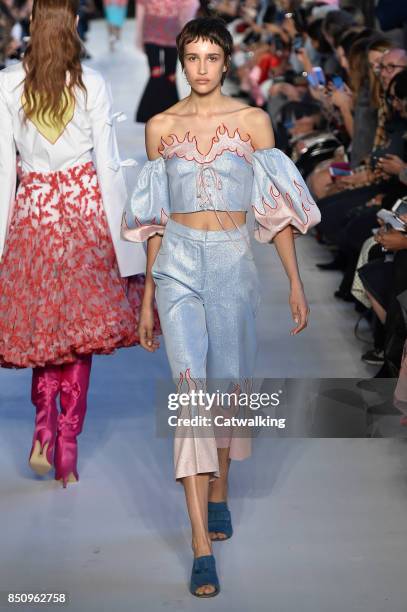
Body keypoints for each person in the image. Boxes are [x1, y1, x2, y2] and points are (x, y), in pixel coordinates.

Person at [123, 16, 320, 598]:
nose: (203, 68)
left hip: (233, 259)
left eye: (213, 57)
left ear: (226, 61)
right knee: (190, 392)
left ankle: (221, 489)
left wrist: (293, 280)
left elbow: (276, 205)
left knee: (230, 385)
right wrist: (148, 300)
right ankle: (200, 544)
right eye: (194, 58)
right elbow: (155, 218)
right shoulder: (160, 127)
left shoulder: (253, 122)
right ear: (180, 63)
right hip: (179, 262)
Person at [0, 0, 146, 487]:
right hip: (85, 214)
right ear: (76, 25)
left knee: (44, 331)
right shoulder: (92, 85)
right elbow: (107, 165)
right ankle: (67, 444)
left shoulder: (6, 83)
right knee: (79, 335)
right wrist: (128, 241)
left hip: (35, 216)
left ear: (33, 25)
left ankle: (42, 428)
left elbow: (4, 172)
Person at [134, 0, 199, 123]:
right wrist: (139, 37)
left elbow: (192, 5)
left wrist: (186, 32)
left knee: (171, 75)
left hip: (172, 34)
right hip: (150, 33)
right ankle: (148, 113)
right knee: (156, 72)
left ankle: (171, 111)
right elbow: (140, 11)